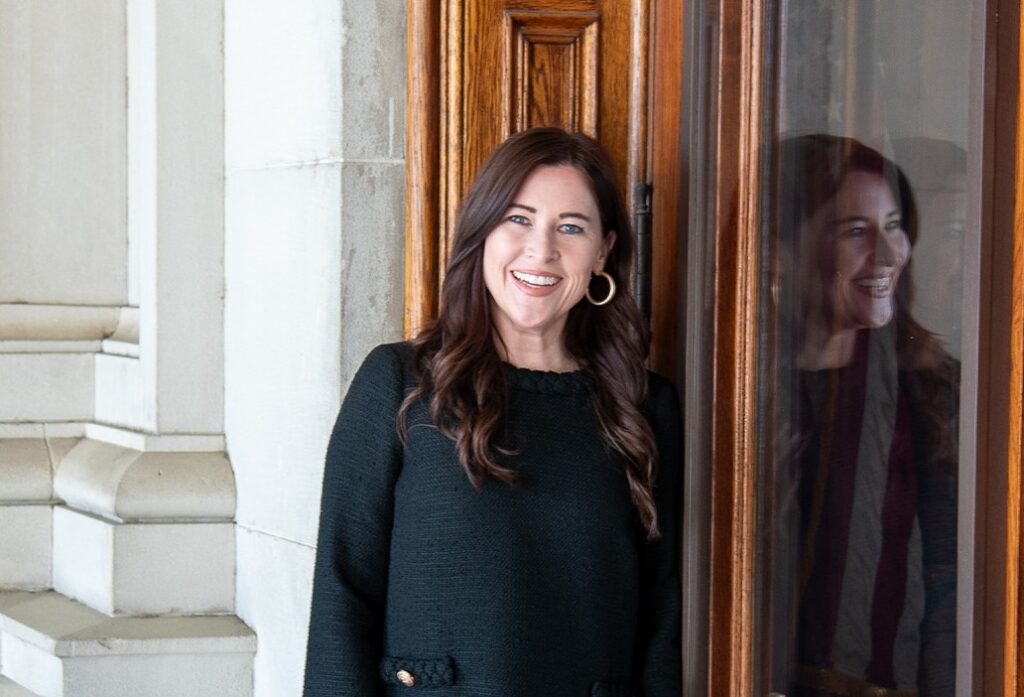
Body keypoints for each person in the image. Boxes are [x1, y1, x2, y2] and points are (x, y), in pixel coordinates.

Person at [302, 127, 681, 696]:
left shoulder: (643, 406)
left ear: (603, 250)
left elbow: (665, 621)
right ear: (482, 233)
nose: (542, 250)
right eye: (518, 219)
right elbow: (342, 594)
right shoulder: (400, 383)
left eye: (571, 228)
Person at [767, 134, 958, 697]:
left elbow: (953, 577)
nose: (889, 254)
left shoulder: (931, 389)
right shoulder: (732, 385)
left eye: (894, 226)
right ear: (779, 251)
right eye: (855, 232)